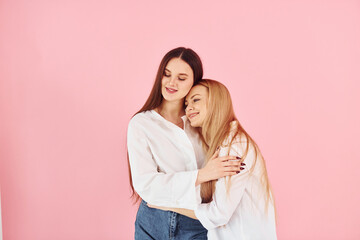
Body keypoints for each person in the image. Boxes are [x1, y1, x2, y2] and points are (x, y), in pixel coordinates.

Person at [127, 48, 243, 239]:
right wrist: (203, 175)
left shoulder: (200, 121)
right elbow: (145, 184)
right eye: (167, 74)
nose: (171, 82)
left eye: (181, 78)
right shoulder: (141, 124)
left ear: (193, 83)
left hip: (197, 221)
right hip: (154, 221)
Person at [149, 79, 277, 240]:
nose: (189, 108)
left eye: (196, 100)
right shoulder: (222, 144)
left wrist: (167, 204)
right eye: (186, 104)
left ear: (217, 102)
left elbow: (218, 214)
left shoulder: (234, 146)